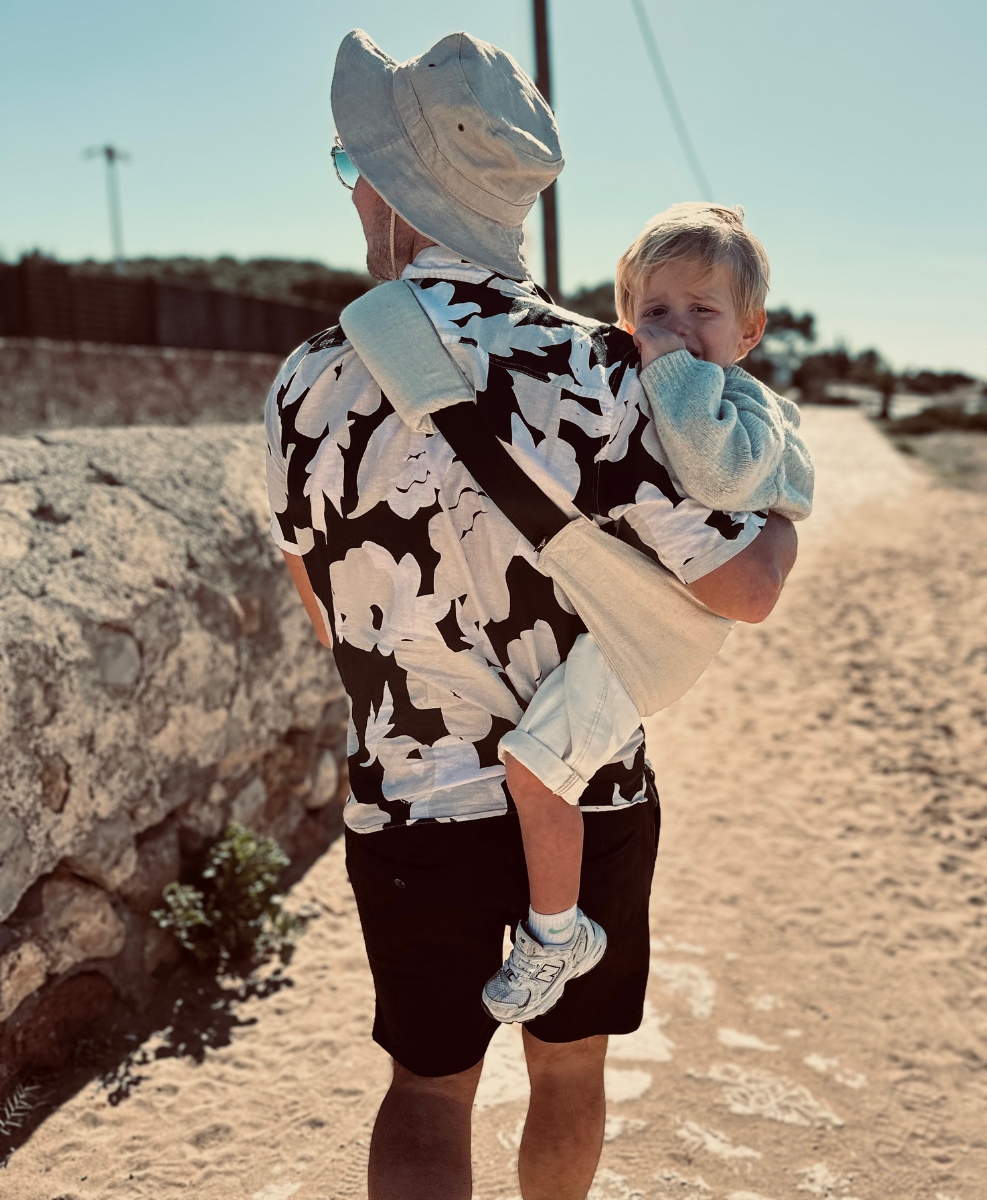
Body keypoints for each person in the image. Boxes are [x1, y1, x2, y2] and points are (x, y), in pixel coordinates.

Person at [265, 28, 797, 1200]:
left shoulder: (302, 385)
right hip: (588, 784)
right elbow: (743, 590)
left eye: (357, 171)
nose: (357, 197)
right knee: (568, 1074)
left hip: (407, 798)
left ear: (403, 197)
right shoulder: (608, 372)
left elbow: (324, 611)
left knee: (424, 1090)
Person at [487, 202, 814, 1023]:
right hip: (644, 610)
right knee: (536, 762)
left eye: (702, 312)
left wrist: (672, 374)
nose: (675, 331)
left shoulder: (735, 403)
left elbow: (720, 480)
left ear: (749, 332)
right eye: (653, 312)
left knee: (534, 770)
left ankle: (557, 935)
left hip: (653, 630)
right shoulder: (674, 385)